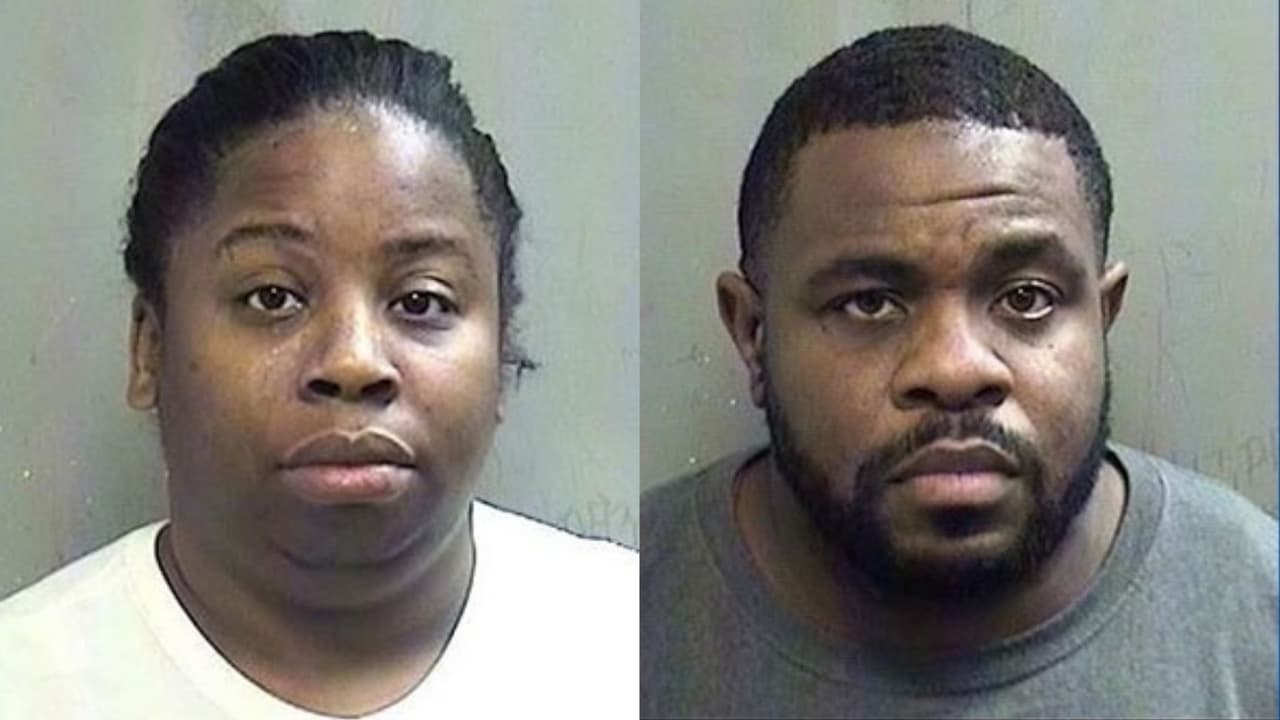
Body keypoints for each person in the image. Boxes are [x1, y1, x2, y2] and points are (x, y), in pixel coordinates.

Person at [641, 24, 1276, 719]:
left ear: (1103, 317)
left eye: (1026, 298)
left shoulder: (1256, 612)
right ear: (752, 332)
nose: (954, 369)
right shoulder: (614, 617)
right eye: (870, 303)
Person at [0, 31, 635, 718]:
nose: (353, 362)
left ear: (502, 348)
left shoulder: (629, 646)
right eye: (272, 297)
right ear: (150, 348)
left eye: (421, 301)